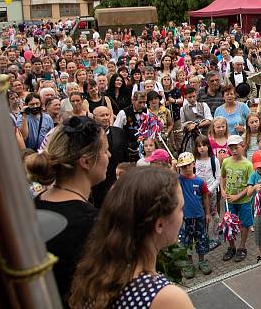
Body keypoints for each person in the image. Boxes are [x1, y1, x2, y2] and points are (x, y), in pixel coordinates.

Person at [68, 167, 193, 309]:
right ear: (159, 224)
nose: (183, 214)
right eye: (181, 208)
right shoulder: (165, 298)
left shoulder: (95, 277)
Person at [27, 116, 109, 304]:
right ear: (86, 162)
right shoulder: (92, 224)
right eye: (105, 151)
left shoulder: (35, 205)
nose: (109, 156)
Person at [176, 151, 212, 278]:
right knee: (187, 241)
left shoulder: (200, 181)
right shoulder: (178, 180)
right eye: (183, 167)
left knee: (201, 239)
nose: (186, 169)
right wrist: (172, 167)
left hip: (199, 216)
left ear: (194, 164)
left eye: (188, 165)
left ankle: (202, 260)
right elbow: (169, 178)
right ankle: (189, 263)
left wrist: (207, 213)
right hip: (185, 218)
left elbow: (205, 197)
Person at [90, 106, 133, 207]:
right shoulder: (91, 135)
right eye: (102, 115)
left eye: (107, 115)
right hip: (98, 182)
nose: (105, 117)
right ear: (94, 118)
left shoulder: (119, 132)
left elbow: (125, 156)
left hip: (117, 179)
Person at [220, 134, 253, 262]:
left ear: (243, 146)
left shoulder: (248, 165)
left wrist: (238, 196)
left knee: (245, 224)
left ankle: (242, 247)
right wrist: (222, 190)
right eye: (231, 148)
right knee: (229, 223)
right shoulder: (226, 161)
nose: (233, 151)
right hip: (229, 201)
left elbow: (250, 185)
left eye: (236, 147)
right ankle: (231, 247)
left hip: (244, 200)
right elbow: (222, 176)